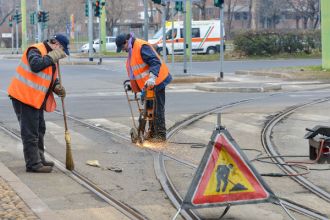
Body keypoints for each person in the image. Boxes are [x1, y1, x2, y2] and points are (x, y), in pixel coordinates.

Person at [7, 34, 69, 173]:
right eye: (62, 50)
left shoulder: (50, 56)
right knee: (30, 132)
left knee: (40, 128)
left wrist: (56, 86)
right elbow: (35, 65)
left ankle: (39, 158)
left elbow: (49, 77)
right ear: (56, 44)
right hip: (23, 97)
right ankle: (33, 164)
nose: (62, 54)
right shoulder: (35, 50)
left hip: (35, 98)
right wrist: (53, 56)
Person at [116, 33, 172, 142]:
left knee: (157, 109)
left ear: (126, 42)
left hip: (158, 80)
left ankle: (160, 135)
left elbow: (155, 62)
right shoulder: (131, 51)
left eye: (123, 48)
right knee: (149, 110)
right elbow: (137, 72)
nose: (123, 50)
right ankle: (152, 133)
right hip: (148, 86)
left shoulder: (141, 46)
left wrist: (152, 77)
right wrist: (133, 87)